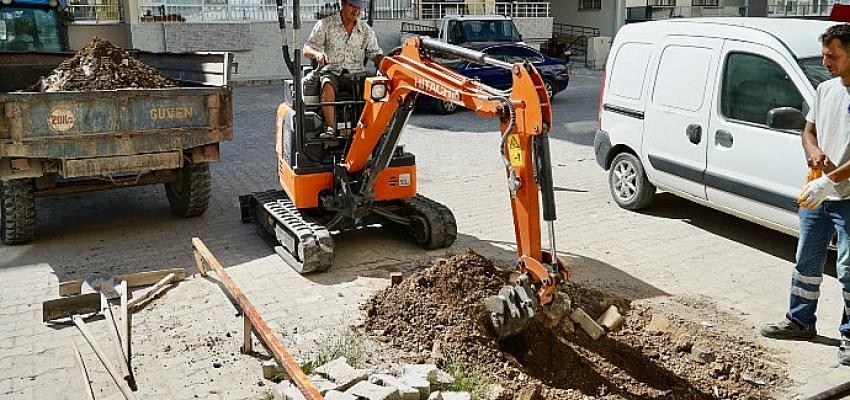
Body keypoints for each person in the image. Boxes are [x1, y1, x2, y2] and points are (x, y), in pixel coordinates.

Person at [760, 23, 850, 366]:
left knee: (849, 268)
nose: (826, 61)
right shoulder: (826, 90)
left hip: (846, 198)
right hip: (818, 194)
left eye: (833, 56)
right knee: (806, 261)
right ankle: (800, 321)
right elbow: (808, 129)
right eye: (825, 55)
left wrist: (830, 182)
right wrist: (812, 152)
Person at [303, 0, 383, 138]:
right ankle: (330, 128)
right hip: (332, 72)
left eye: (360, 8)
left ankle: (371, 127)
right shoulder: (326, 24)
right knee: (327, 83)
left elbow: (374, 53)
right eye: (353, 6)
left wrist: (385, 62)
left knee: (377, 86)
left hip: (356, 74)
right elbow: (307, 48)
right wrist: (317, 54)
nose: (356, 11)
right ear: (343, 4)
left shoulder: (365, 30)